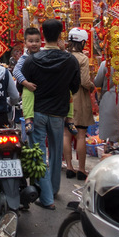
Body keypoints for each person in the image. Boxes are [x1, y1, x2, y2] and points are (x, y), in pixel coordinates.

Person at [22, 19, 81, 210]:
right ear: (61, 35)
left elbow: (23, 85)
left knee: (38, 154)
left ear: (43, 36)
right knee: (56, 153)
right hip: (58, 114)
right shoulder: (70, 60)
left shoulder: (32, 60)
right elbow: (75, 87)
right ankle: (53, 189)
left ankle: (47, 197)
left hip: (38, 112)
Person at [64, 28, 95, 181]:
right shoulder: (82, 59)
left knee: (66, 133)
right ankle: (81, 169)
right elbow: (84, 81)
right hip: (79, 98)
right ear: (82, 42)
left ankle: (69, 166)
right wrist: (91, 86)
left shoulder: (64, 56)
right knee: (81, 134)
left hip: (65, 98)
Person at [14, 27, 44, 136]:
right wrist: (26, 83)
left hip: (43, 89)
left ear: (41, 42)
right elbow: (16, 72)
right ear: (25, 43)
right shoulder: (24, 58)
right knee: (27, 92)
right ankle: (28, 120)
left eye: (37, 41)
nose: (34, 44)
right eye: (31, 41)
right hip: (30, 87)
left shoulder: (44, 55)